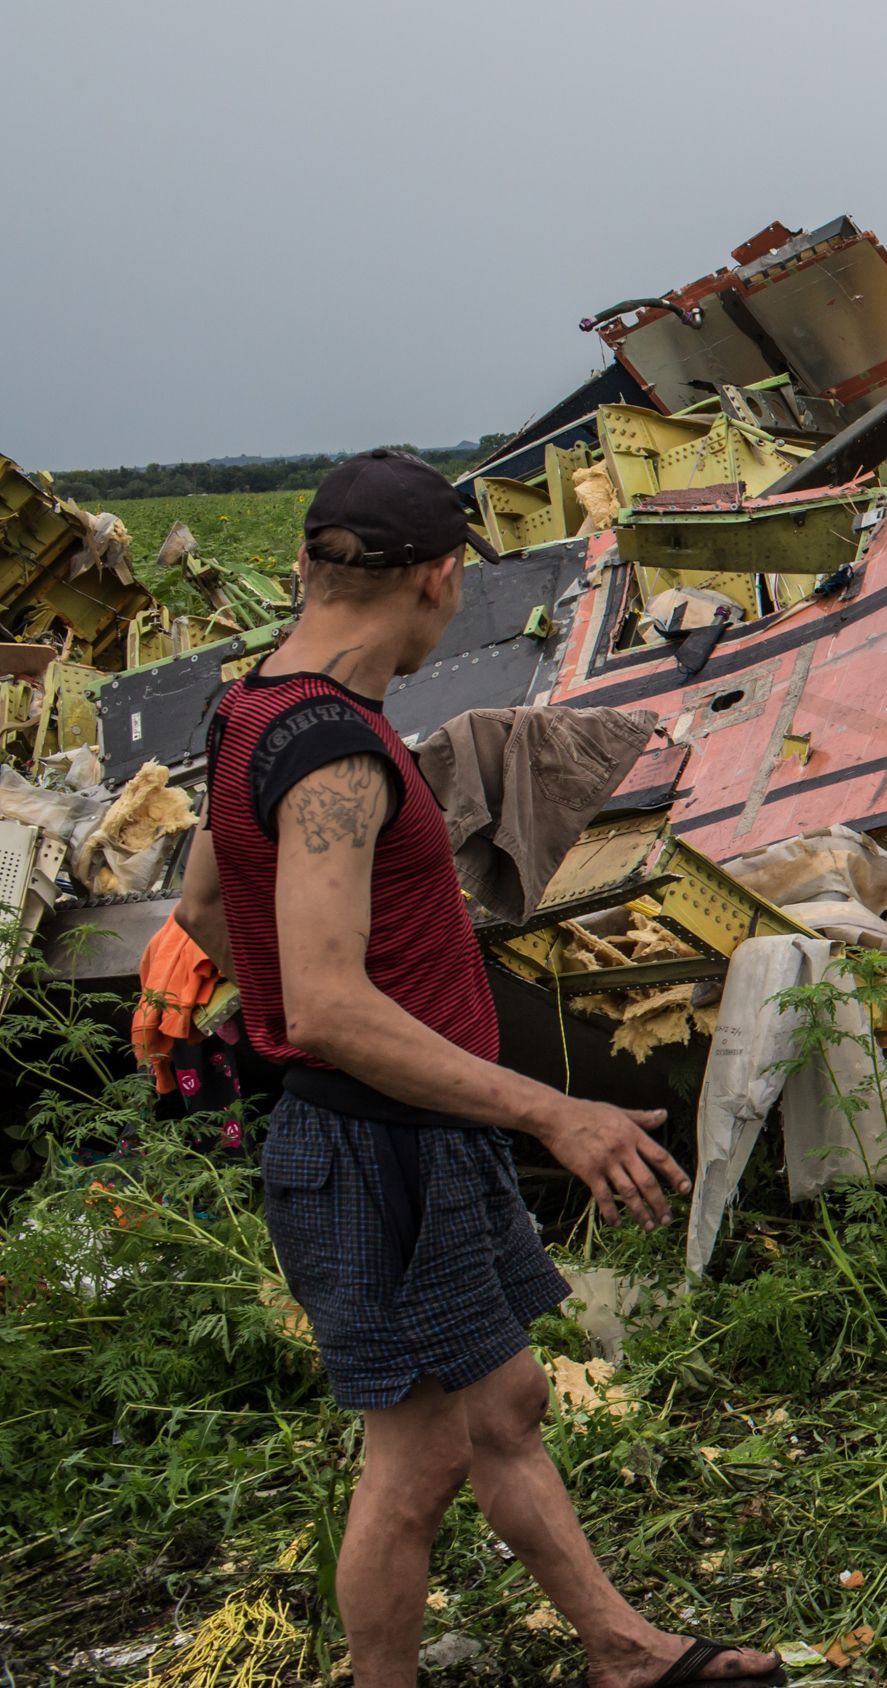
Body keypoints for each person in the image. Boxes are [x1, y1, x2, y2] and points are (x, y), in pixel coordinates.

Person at [174, 451, 779, 1688]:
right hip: (376, 1147)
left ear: (308, 562)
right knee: (415, 1463)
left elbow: (201, 904)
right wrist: (553, 1108)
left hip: (401, 1131)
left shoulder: (249, 709)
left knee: (502, 1402)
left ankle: (620, 1647)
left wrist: (298, 1003)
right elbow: (336, 1007)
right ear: (442, 579)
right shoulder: (332, 752)